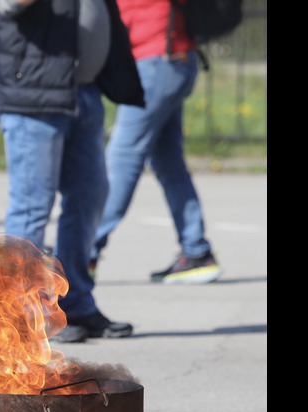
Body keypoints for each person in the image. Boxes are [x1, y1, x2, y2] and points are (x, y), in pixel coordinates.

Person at [0, 0, 145, 343]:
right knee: (32, 206)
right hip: (32, 97)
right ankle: (20, 313)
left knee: (89, 197)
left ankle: (75, 304)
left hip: (83, 91)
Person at [89, 0, 223, 284]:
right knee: (169, 164)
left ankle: (86, 250)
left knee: (120, 163)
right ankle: (196, 251)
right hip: (169, 59)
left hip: (157, 60)